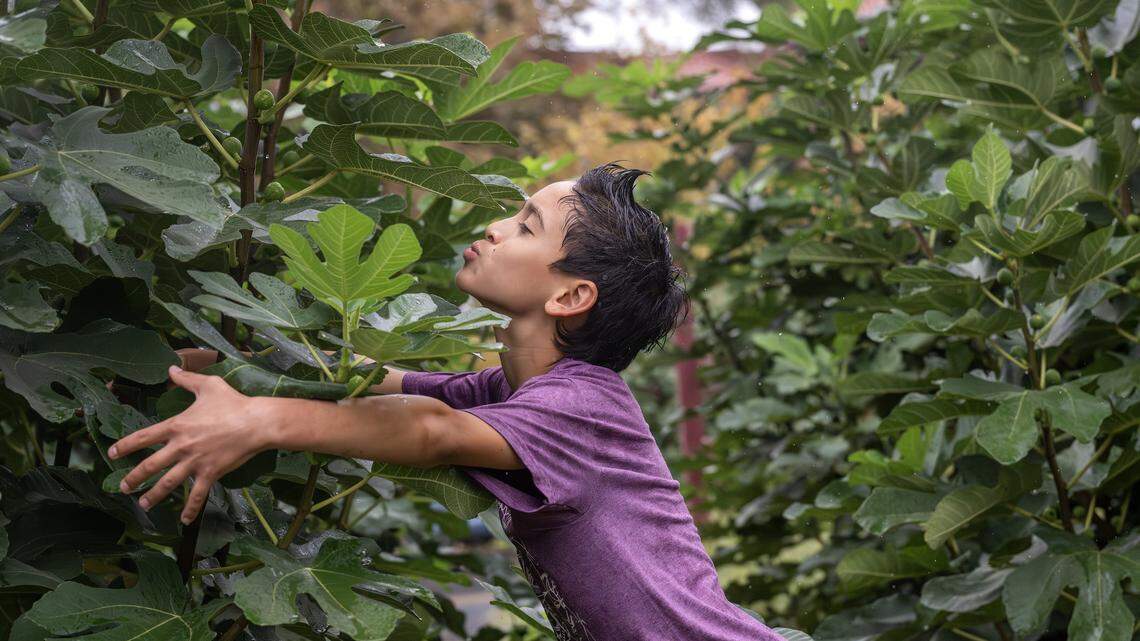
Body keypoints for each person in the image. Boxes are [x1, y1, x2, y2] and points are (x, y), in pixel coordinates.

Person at [109, 163, 783, 640]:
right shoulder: (510, 389)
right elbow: (370, 379)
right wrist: (201, 362)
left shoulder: (580, 407)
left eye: (525, 227)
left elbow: (431, 431)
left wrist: (258, 420)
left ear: (571, 296)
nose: (494, 227)